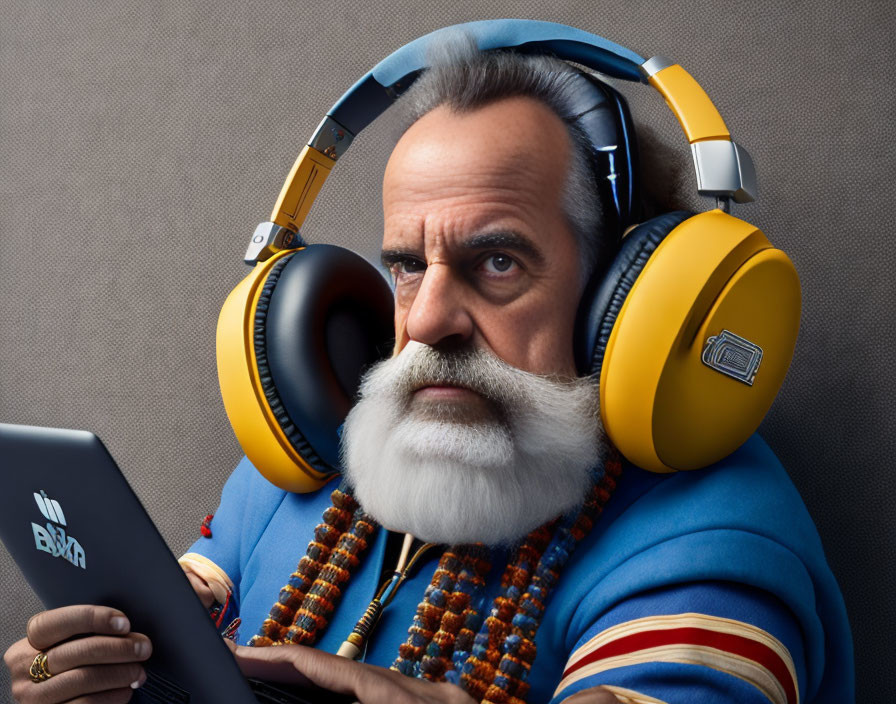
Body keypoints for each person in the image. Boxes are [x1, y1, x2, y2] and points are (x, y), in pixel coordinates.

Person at [3, 33, 853, 704]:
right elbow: (174, 639)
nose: (427, 322)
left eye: (497, 263)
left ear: (618, 301)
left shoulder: (719, 539)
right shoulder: (301, 461)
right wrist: (80, 677)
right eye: (407, 265)